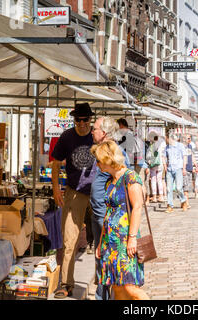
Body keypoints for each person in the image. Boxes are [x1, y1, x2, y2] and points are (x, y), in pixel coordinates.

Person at [91, 140, 149, 300]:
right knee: (116, 286)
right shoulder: (110, 181)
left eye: (99, 161)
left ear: (108, 160)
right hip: (110, 242)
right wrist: (101, 242)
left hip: (124, 241)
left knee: (130, 287)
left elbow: (137, 207)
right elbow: (108, 213)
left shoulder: (130, 177)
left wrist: (132, 239)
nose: (97, 165)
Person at [51, 103, 95, 299]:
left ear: (90, 120)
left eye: (86, 120)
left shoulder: (97, 136)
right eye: (79, 120)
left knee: (104, 239)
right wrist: (55, 189)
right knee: (70, 239)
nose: (82, 123)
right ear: (74, 119)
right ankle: (66, 283)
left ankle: (105, 283)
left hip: (97, 193)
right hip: (74, 192)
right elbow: (56, 163)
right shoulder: (67, 136)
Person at [90, 116, 130, 300]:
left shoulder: (116, 154)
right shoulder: (103, 151)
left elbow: (125, 185)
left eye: (95, 128)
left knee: (108, 263)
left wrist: (107, 217)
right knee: (102, 261)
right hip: (101, 215)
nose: (92, 131)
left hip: (107, 218)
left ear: (104, 133)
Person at [163, 133, 189, 213]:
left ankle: (183, 201)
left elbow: (184, 156)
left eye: (167, 138)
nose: (166, 140)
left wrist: (184, 168)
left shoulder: (180, 146)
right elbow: (163, 156)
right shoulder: (166, 147)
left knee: (178, 188)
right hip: (170, 170)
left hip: (178, 169)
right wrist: (165, 167)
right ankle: (170, 205)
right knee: (169, 189)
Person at [147, 135, 164, 203]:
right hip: (160, 165)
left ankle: (154, 197)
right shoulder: (161, 146)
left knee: (153, 180)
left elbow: (148, 156)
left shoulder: (151, 147)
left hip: (153, 165)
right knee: (159, 180)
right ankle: (161, 196)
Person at [183, 134, 197, 209]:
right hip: (184, 169)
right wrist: (183, 168)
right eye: (188, 138)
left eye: (190, 138)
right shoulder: (181, 147)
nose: (190, 140)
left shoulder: (190, 146)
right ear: (184, 139)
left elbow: (192, 156)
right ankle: (186, 202)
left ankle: (183, 201)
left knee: (187, 186)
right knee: (185, 187)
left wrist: (196, 165)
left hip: (190, 168)